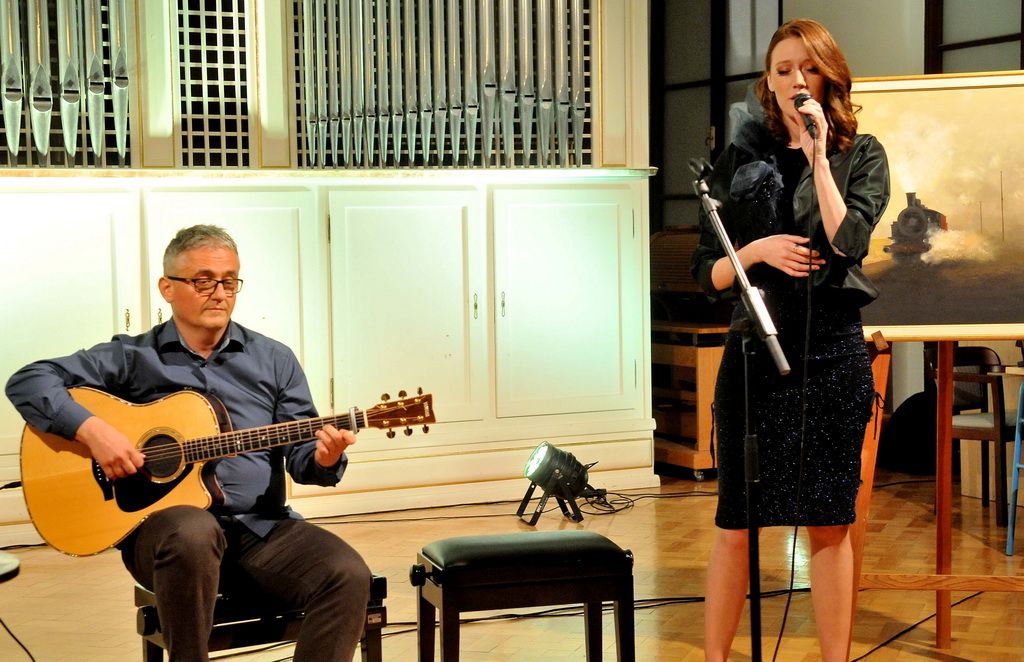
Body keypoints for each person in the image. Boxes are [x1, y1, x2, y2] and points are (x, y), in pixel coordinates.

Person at [6, 225, 372, 662]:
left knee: (347, 574)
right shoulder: (133, 357)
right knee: (193, 531)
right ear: (168, 288)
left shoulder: (275, 359)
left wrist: (324, 458)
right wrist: (93, 431)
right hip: (165, 537)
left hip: (260, 528)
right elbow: (29, 380)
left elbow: (303, 459)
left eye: (229, 281)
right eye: (203, 281)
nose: (219, 293)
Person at [690, 19, 890, 662]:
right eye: (783, 69)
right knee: (736, 524)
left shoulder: (863, 153)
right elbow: (707, 272)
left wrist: (818, 157)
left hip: (832, 353)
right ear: (769, 83)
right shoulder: (741, 156)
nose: (796, 79)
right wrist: (756, 250)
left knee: (830, 523)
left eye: (808, 67)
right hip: (753, 353)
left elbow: (848, 242)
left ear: (828, 76)